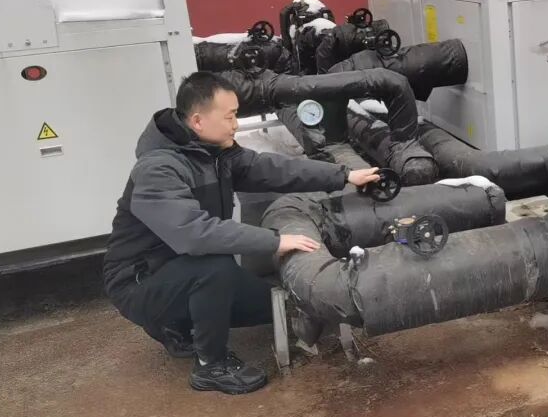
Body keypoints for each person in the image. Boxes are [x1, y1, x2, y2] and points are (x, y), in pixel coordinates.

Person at [102, 71, 380, 395]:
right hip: (139, 282)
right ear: (198, 121)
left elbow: (275, 169)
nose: (235, 125)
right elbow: (194, 234)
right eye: (230, 116)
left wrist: (344, 175)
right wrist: (274, 242)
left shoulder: (217, 153)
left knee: (277, 307)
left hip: (180, 268)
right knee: (213, 268)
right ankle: (210, 365)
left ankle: (176, 325)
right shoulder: (158, 169)